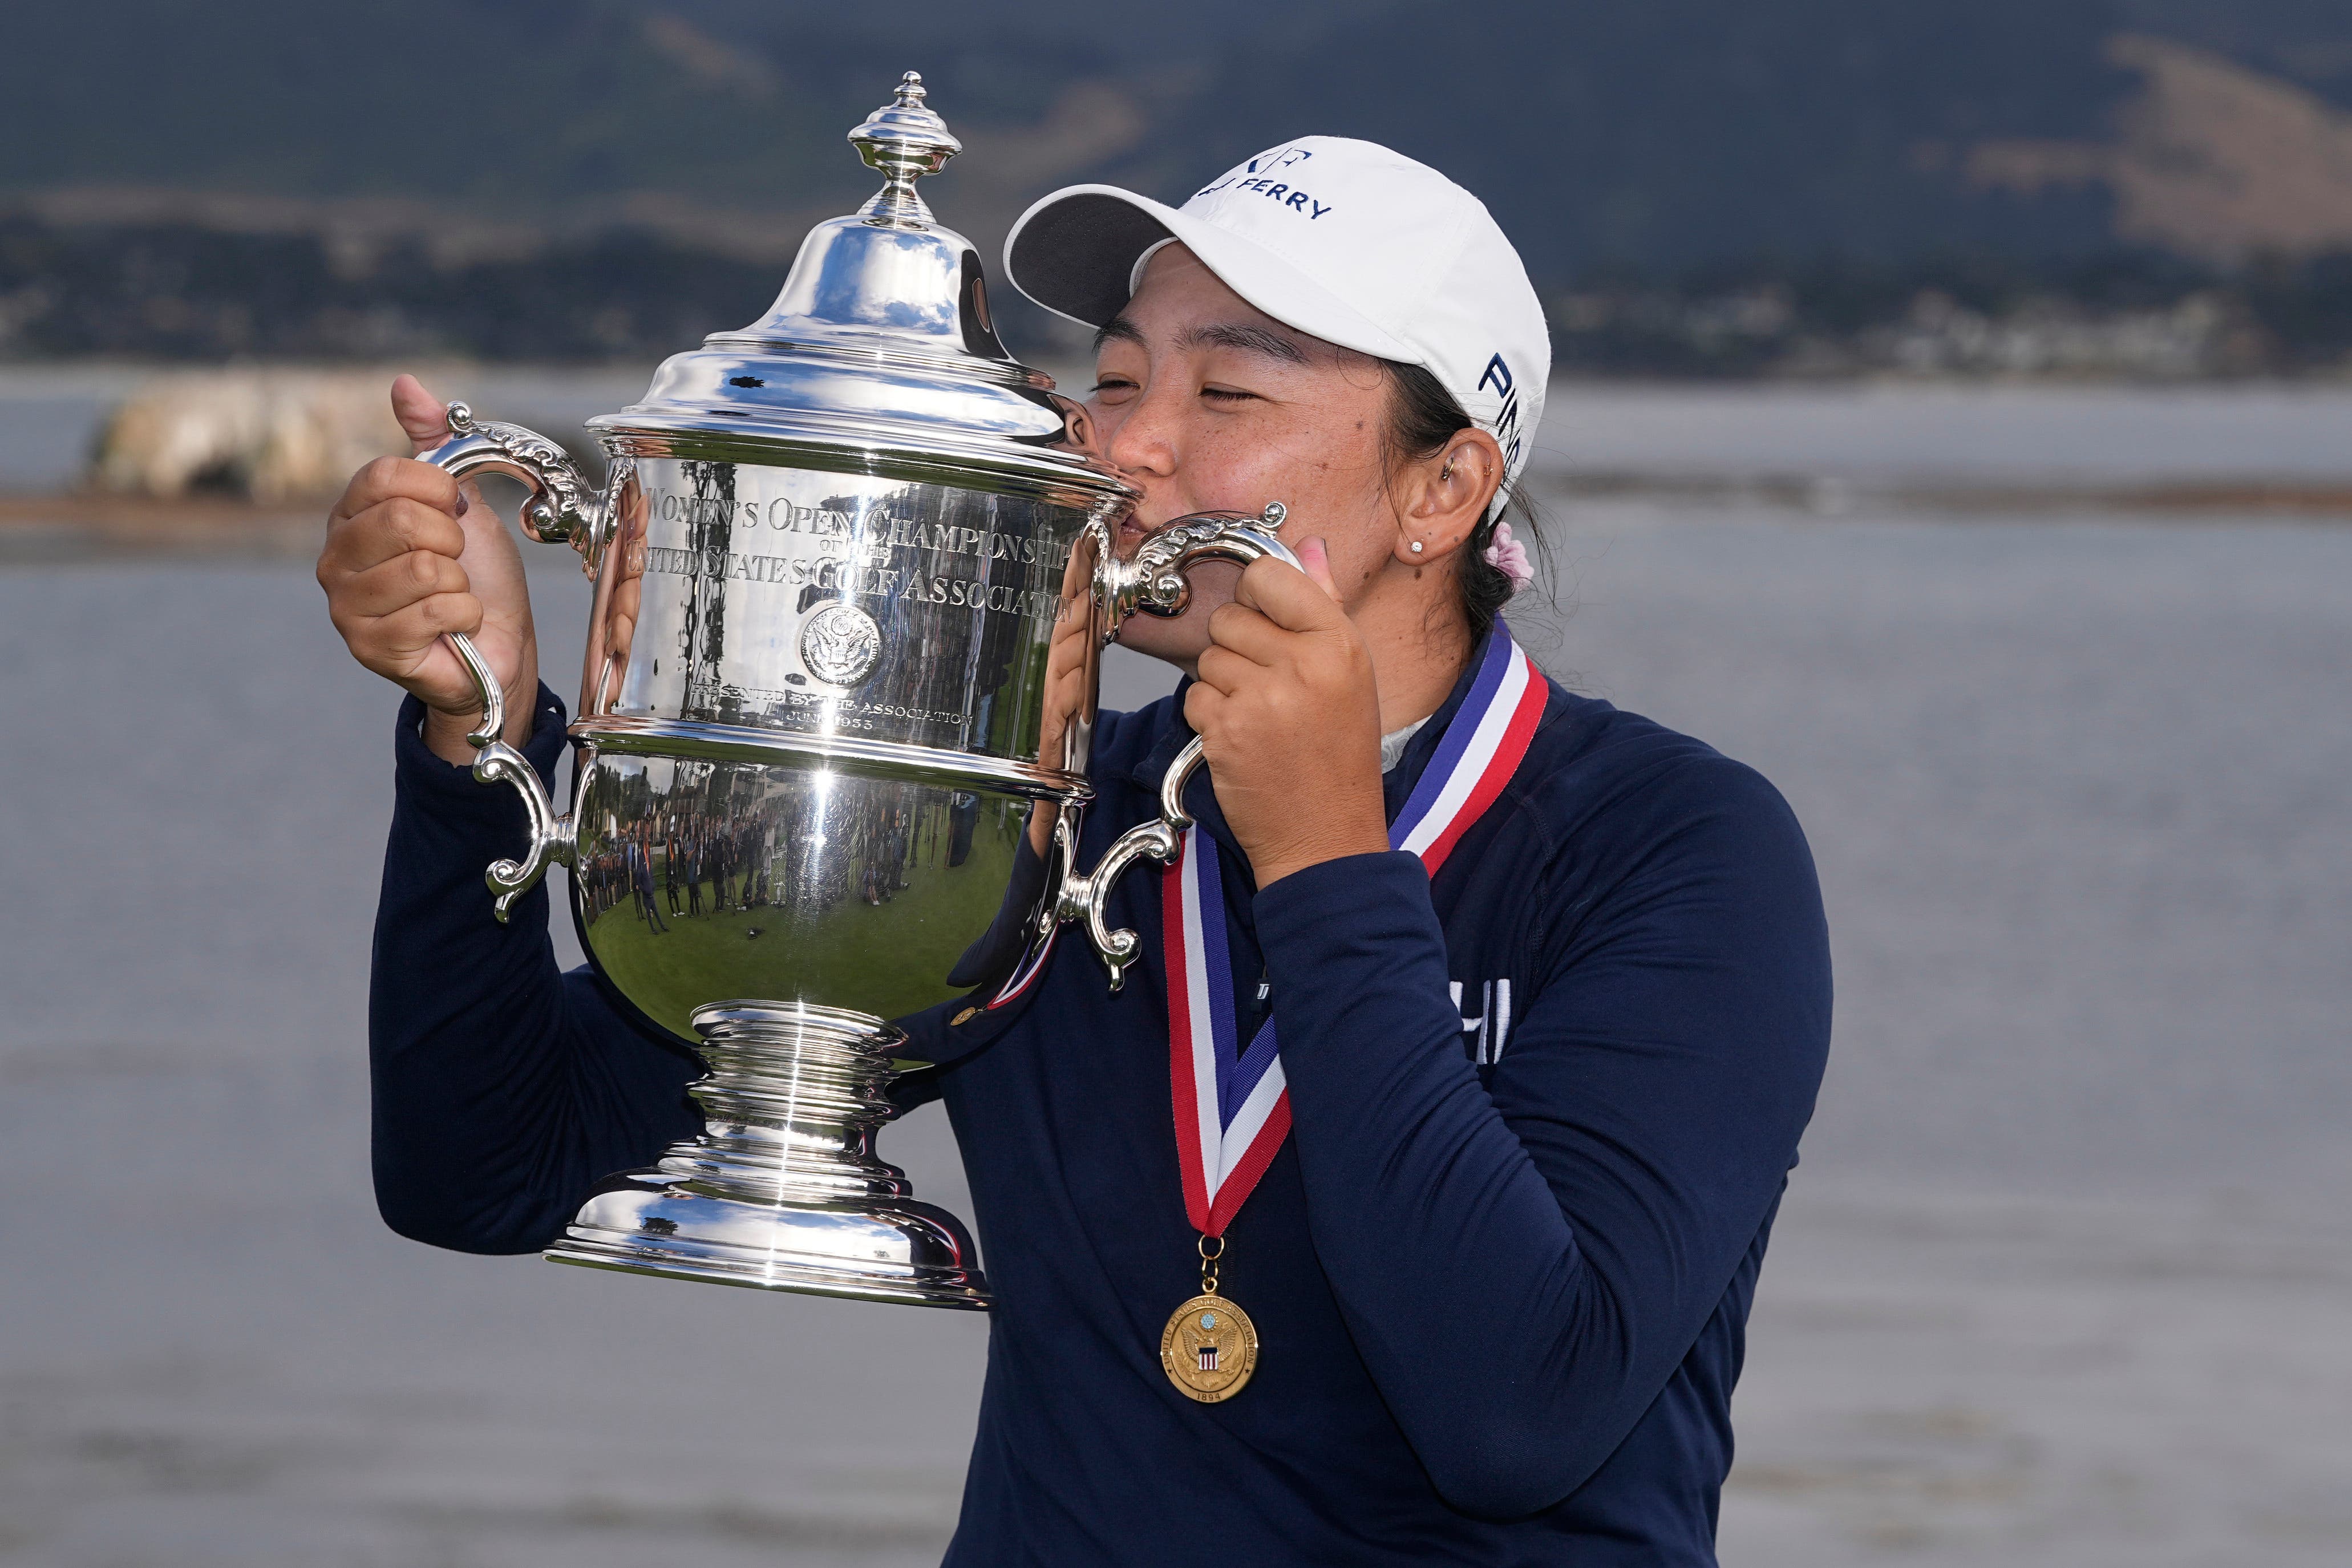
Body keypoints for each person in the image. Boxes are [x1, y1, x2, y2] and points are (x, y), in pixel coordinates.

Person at [318, 136, 1831, 1564]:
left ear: (1440, 491)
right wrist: (484, 737)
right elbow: (488, 1173)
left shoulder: (1675, 849)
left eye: (1228, 395)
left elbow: (1520, 1407)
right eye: (1114, 379)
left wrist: (1322, 863)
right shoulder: (1035, 817)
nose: (1126, 447)